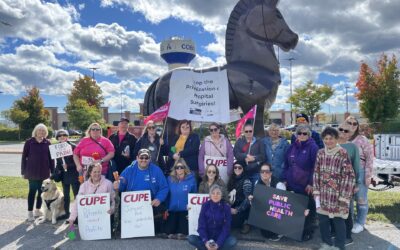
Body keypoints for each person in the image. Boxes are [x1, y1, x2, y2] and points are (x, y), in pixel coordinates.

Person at [313, 127, 355, 250]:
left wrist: (344, 196)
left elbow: (348, 175)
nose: (328, 141)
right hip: (323, 193)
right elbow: (316, 172)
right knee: (323, 220)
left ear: (336, 139)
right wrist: (316, 191)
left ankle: (340, 246)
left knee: (338, 220)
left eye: (331, 138)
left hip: (338, 194)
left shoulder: (342, 153)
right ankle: (326, 244)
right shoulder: (320, 153)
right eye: (326, 139)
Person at [114, 148, 169, 233]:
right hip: (132, 204)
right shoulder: (129, 169)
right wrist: (118, 186)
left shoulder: (156, 170)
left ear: (150, 159)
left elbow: (164, 187)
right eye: (141, 157)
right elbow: (122, 185)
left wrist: (159, 198)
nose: (144, 160)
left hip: (150, 202)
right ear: (137, 158)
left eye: (146, 158)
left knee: (158, 222)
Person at [282, 124, 319, 241]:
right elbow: (286, 165)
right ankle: (295, 230)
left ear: (309, 135)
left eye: (305, 133)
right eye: (300, 133)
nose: (302, 135)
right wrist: (284, 179)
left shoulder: (313, 147)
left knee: (307, 210)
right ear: (296, 134)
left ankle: (308, 231)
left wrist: (311, 183)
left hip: (305, 185)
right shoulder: (292, 147)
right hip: (292, 183)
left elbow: (316, 167)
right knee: (295, 209)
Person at [345, 116, 373, 234]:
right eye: (349, 123)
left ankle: (360, 222)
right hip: (345, 173)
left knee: (361, 199)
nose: (352, 125)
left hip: (360, 171)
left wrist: (368, 175)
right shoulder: (341, 138)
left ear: (357, 126)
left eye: (354, 123)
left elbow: (370, 158)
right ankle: (349, 221)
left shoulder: (362, 139)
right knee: (348, 199)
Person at [187, 185, 237, 250]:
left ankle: (214, 248)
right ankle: (209, 247)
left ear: (221, 195)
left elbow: (226, 228)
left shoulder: (226, 207)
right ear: (210, 195)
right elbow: (201, 226)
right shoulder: (205, 205)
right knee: (191, 238)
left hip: (220, 237)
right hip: (208, 237)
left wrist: (218, 244)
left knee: (232, 241)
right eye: (213, 193)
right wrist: (206, 242)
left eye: (218, 193)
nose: (215, 195)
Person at [21, 123, 54, 221]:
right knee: (32, 191)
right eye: (39, 130)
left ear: (46, 132)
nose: (41, 132)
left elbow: (51, 158)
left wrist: (52, 171)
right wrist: (23, 171)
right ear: (35, 131)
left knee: (41, 192)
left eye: (43, 131)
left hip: (44, 172)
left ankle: (38, 210)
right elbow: (24, 158)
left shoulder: (47, 143)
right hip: (32, 172)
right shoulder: (29, 142)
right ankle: (30, 212)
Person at [68, 163, 115, 227]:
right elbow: (77, 202)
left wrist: (112, 209)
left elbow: (113, 200)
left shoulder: (108, 184)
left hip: (104, 218)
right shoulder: (84, 186)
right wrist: (72, 218)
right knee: (71, 229)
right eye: (94, 172)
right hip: (88, 219)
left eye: (99, 172)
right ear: (90, 173)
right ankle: (72, 235)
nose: (97, 174)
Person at [337, 123, 361, 245]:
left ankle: (347, 236)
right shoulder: (330, 144)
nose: (342, 132)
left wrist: (357, 183)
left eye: (346, 131)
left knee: (346, 209)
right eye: (340, 129)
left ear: (350, 134)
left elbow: (357, 166)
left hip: (347, 184)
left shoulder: (352, 147)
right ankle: (336, 233)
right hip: (332, 185)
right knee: (334, 209)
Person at [248, 163, 283, 241]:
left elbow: (283, 203)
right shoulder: (258, 182)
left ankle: (280, 230)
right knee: (265, 234)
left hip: (277, 210)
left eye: (267, 171)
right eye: (262, 171)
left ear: (271, 173)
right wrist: (251, 199)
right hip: (266, 210)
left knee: (273, 233)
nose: (264, 173)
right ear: (260, 173)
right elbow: (256, 200)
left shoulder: (279, 184)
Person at [164, 159, 197, 240]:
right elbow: (167, 194)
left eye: (181, 167)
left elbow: (194, 195)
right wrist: (166, 208)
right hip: (173, 209)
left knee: (183, 231)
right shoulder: (169, 179)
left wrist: (192, 210)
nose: (179, 169)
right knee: (169, 231)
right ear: (174, 169)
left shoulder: (191, 179)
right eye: (177, 167)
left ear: (185, 168)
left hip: (185, 209)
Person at [54, 129, 80, 220]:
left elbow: (78, 161)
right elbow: (58, 163)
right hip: (64, 175)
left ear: (67, 136)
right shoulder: (56, 148)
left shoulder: (73, 147)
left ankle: (77, 215)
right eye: (60, 136)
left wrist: (68, 165)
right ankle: (66, 213)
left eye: (64, 135)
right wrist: (58, 170)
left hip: (73, 173)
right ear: (57, 138)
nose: (62, 137)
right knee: (66, 195)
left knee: (76, 194)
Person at [227, 161, 252, 234]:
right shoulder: (231, 179)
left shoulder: (246, 181)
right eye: (235, 167)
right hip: (232, 205)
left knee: (232, 223)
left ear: (243, 169)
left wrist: (237, 210)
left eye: (239, 167)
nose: (237, 169)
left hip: (242, 208)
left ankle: (246, 223)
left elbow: (247, 199)